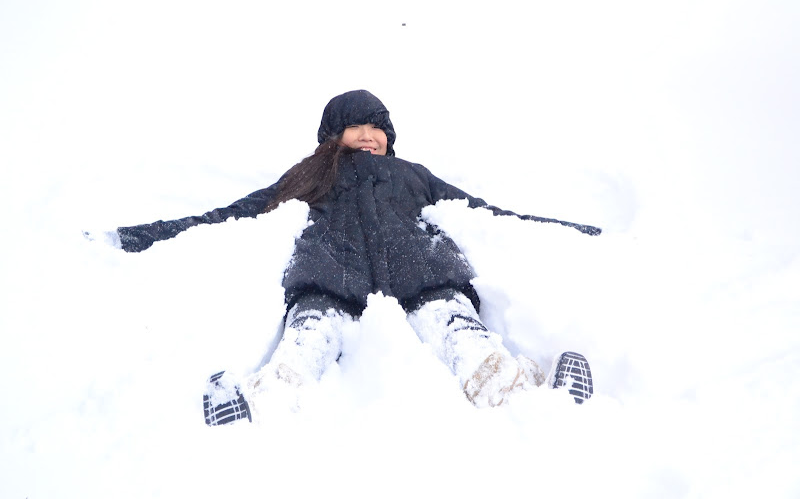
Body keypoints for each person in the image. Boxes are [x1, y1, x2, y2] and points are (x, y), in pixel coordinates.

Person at [87, 90, 599, 425]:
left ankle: (539, 405)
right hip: (330, 280)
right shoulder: (310, 175)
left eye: (378, 128)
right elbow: (234, 214)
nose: (369, 135)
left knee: (462, 335)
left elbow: (486, 214)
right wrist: (142, 236)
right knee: (303, 347)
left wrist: (577, 232)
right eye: (357, 127)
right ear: (333, 136)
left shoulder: (414, 175)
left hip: (425, 277)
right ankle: (254, 413)